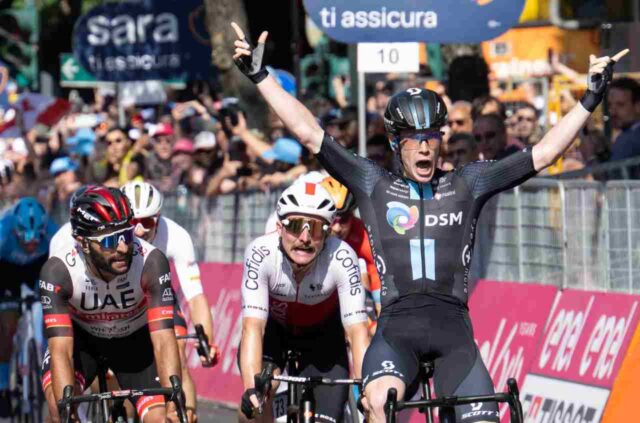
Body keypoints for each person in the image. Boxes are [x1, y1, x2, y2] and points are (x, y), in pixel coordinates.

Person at [230, 23, 626, 422]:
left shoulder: (467, 183)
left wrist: (590, 98)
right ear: (394, 142)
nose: (424, 146)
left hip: (454, 333)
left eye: (432, 136)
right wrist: (261, 77)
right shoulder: (372, 184)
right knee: (379, 403)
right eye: (413, 138)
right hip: (395, 333)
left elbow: (544, 153)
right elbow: (308, 132)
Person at [40, 186, 182, 423]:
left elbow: (163, 340)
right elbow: (61, 349)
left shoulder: (151, 262)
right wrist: (66, 409)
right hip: (81, 344)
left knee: (164, 418)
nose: (123, 248)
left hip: (135, 343)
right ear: (83, 243)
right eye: (110, 241)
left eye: (127, 235)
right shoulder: (59, 271)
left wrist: (173, 405)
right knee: (59, 409)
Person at [238, 182, 370, 422]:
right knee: (255, 409)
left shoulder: (342, 257)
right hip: (274, 335)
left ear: (327, 233)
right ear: (279, 227)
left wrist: (365, 388)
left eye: (316, 228)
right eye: (295, 226)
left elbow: (357, 332)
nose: (305, 238)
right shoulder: (260, 253)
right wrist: (251, 389)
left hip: (323, 340)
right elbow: (253, 327)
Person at [121, 180, 218, 421]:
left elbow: (195, 295)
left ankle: (185, 417)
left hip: (157, 296)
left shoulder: (176, 235)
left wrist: (206, 341)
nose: (139, 230)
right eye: (132, 222)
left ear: (158, 218)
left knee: (177, 357)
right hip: (120, 301)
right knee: (116, 371)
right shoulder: (113, 237)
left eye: (147, 222)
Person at [0, 197, 57, 416]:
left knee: (49, 318)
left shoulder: (52, 231)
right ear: (15, 231)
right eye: (25, 239)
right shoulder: (3, 232)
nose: (31, 244)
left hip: (37, 268)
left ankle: (47, 364)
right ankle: (3, 387)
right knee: (7, 327)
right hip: (6, 271)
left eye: (36, 239)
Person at [320, 176, 382, 324]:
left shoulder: (363, 233)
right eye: (331, 219)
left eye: (344, 219)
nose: (337, 228)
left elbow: (375, 270)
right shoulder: (311, 233)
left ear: (353, 214)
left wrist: (380, 309)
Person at [607, 77, 640, 162]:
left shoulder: (630, 139)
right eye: (610, 105)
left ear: (637, 106)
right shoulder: (627, 135)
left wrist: (590, 156)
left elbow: (612, 170)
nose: (612, 112)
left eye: (620, 105)